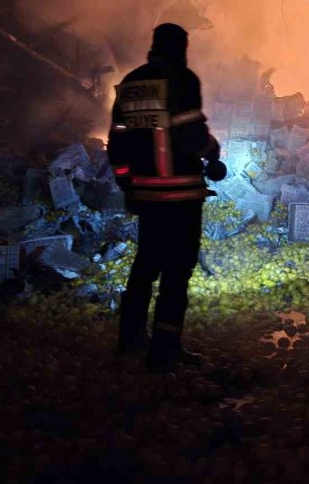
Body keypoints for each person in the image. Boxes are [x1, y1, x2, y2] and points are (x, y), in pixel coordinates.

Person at [107, 23, 224, 370]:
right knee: (177, 271)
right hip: (182, 196)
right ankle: (165, 348)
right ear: (181, 48)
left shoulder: (131, 83)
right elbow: (192, 137)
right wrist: (213, 151)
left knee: (145, 265)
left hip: (146, 196)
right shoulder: (183, 79)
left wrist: (127, 184)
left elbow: (117, 145)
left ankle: (129, 339)